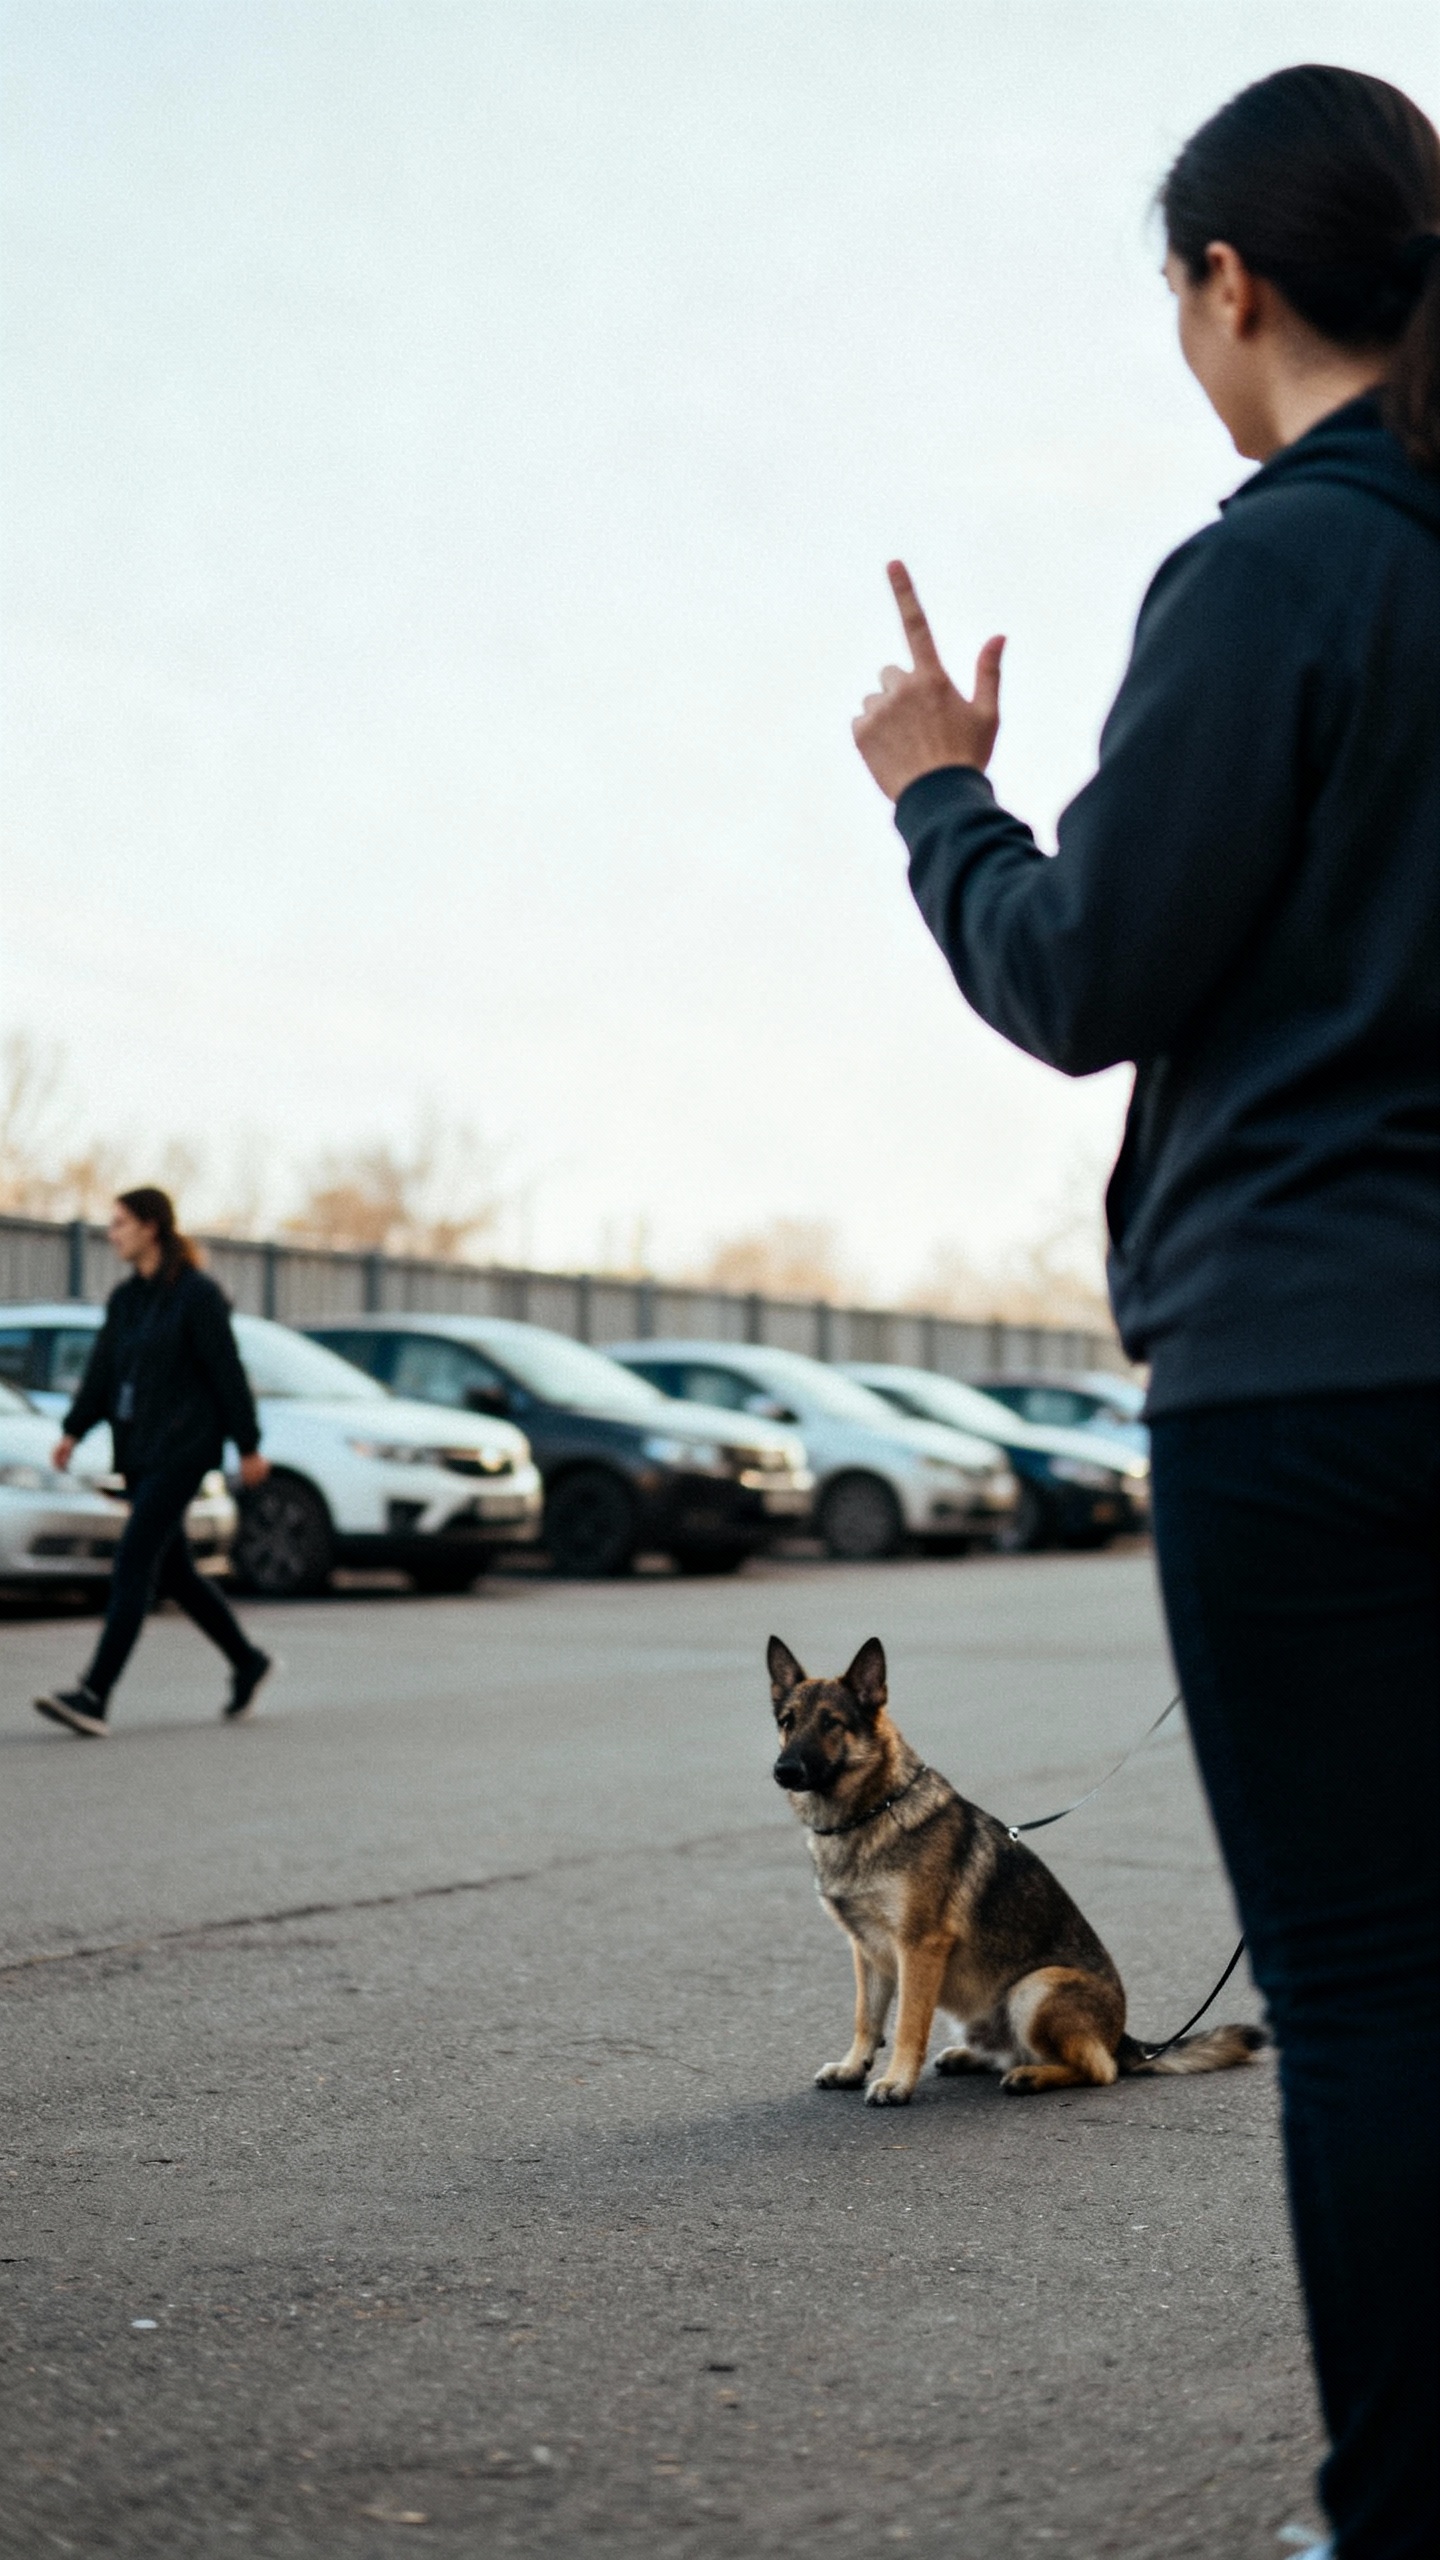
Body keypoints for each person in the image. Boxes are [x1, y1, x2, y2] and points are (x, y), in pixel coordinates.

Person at [850, 63, 1438, 2560]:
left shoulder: (1279, 569)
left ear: (1227, 283)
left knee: (1375, 1988)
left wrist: (935, 792)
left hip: (1311, 1367)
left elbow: (1088, 970)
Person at [34, 1188, 274, 1737]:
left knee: (134, 1562)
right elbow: (102, 1372)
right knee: (177, 1572)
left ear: (151, 1227)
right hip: (139, 1450)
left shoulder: (197, 1296)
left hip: (185, 1448)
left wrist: (249, 1443)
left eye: (120, 1223)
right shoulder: (126, 1300)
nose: (112, 1233)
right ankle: (247, 1661)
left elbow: (226, 1371)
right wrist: (73, 1429)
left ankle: (95, 1694)